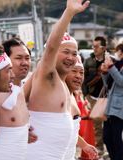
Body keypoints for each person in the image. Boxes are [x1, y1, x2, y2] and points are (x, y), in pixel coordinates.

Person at [26, 1, 90, 159]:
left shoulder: (63, 84)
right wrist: (69, 13)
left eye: (74, 54)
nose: (71, 57)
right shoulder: (48, 76)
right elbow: (51, 48)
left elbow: (19, 99)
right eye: (66, 52)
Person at [0, 38, 32, 160]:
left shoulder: (23, 88)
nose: (24, 62)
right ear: (5, 61)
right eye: (19, 58)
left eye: (27, 58)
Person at [65, 55, 98, 160]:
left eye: (81, 72)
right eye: (74, 71)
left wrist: (84, 145)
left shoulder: (72, 94)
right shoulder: (55, 96)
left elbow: (70, 131)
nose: (78, 76)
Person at [83, 36, 107, 156]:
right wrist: (86, 95)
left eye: (97, 46)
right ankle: (100, 149)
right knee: (97, 125)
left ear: (104, 48)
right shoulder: (88, 61)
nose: (94, 49)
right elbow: (83, 79)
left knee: (108, 124)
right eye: (93, 46)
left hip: (107, 97)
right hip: (92, 96)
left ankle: (110, 147)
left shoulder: (110, 60)